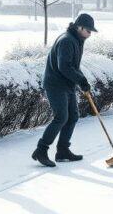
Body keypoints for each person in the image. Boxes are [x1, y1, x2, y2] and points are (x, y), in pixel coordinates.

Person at [31, 13, 97, 167]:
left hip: (67, 85)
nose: (90, 34)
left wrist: (82, 81)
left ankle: (62, 151)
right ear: (79, 27)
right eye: (88, 31)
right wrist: (80, 80)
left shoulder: (78, 40)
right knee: (61, 117)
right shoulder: (67, 40)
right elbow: (64, 66)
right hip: (55, 84)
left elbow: (73, 66)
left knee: (73, 116)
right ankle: (41, 150)